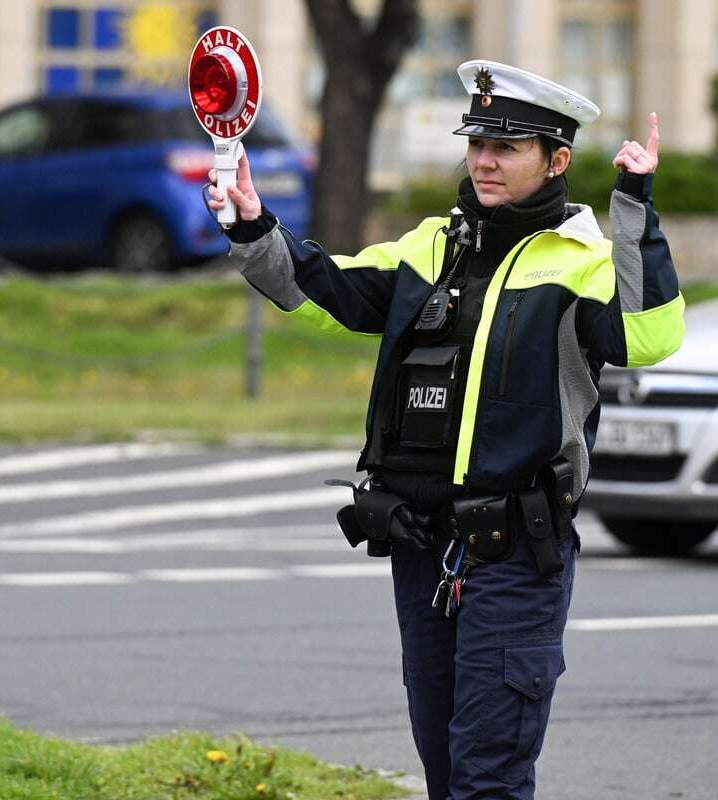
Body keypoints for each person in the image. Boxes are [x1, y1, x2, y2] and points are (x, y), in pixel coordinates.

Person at [206, 60, 684, 800]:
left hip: (517, 552)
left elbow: (650, 338)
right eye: (477, 143)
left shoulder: (582, 260)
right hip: (424, 547)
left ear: (556, 159)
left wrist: (635, 211)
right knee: (446, 769)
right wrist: (252, 226)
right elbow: (330, 289)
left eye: (508, 147)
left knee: (486, 779)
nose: (485, 160)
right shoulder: (433, 246)